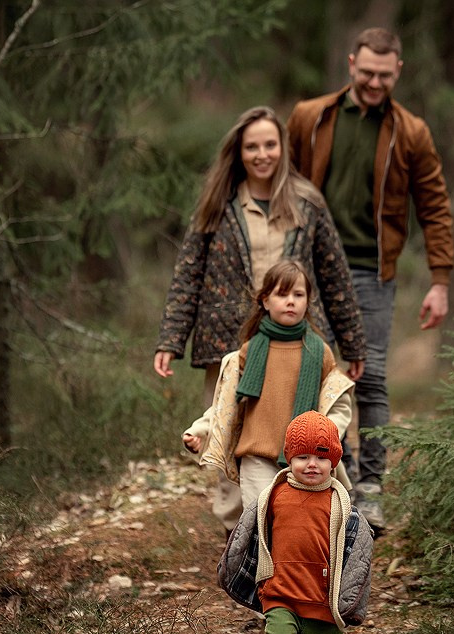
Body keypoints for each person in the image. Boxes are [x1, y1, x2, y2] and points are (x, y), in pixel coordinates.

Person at [155, 106, 366, 531]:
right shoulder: (218, 204)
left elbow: (333, 274)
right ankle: (239, 531)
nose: (262, 154)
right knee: (231, 428)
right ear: (239, 151)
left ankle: (311, 525)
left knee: (307, 431)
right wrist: (171, 339)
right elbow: (189, 272)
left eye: (270, 144)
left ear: (282, 148)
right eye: (252, 146)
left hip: (299, 342)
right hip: (230, 339)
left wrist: (352, 341)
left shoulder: (307, 203)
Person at [288, 28, 454, 530]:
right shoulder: (311, 117)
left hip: (371, 272)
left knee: (372, 377)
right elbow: (282, 186)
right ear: (350, 64)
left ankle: (371, 488)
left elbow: (434, 206)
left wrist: (440, 280)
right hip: (311, 271)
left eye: (385, 75)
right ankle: (320, 482)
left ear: (398, 70)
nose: (375, 82)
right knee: (314, 375)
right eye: (367, 73)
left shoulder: (411, 132)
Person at [217, 410, 374, 634]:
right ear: (289, 458)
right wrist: (241, 572)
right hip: (281, 592)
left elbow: (358, 557)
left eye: (321, 457)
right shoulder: (272, 497)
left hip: (323, 599)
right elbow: (248, 534)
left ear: (334, 461)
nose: (311, 464)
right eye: (302, 457)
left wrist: (349, 601)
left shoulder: (342, 506)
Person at [183, 261, 355, 513]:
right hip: (256, 456)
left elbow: (338, 404)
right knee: (262, 518)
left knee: (297, 519)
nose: (291, 301)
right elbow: (225, 405)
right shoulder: (249, 351)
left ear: (308, 302)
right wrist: (201, 430)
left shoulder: (320, 352)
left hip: (305, 459)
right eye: (282, 294)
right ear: (265, 301)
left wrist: (325, 436)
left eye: (298, 295)